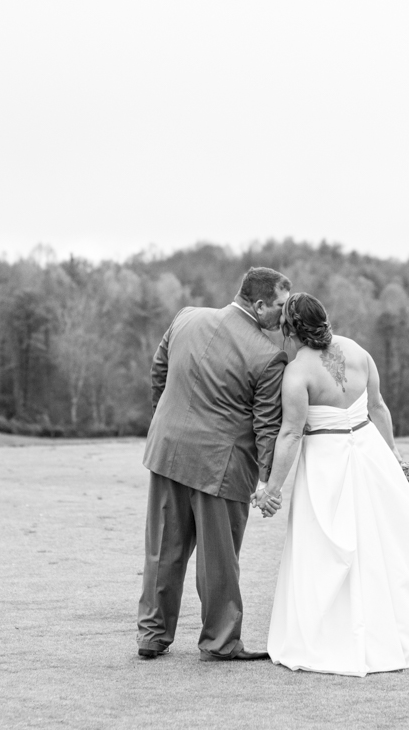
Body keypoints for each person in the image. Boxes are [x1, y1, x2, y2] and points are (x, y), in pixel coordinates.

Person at [258, 292, 409, 676]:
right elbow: (377, 407)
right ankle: (390, 637)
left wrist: (272, 489)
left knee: (326, 546)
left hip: (327, 464)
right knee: (379, 545)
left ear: (290, 329)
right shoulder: (358, 352)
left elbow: (291, 435)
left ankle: (331, 640)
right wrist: (393, 457)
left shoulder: (297, 373)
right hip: (370, 454)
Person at [136, 267, 290, 661]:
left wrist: (166, 423)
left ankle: (152, 636)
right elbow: (267, 426)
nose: (283, 317)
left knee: (163, 549)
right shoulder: (269, 356)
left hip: (167, 451)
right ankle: (220, 641)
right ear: (258, 304)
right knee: (218, 559)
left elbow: (159, 373)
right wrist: (268, 480)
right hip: (221, 467)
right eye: (279, 306)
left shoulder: (187, 316)